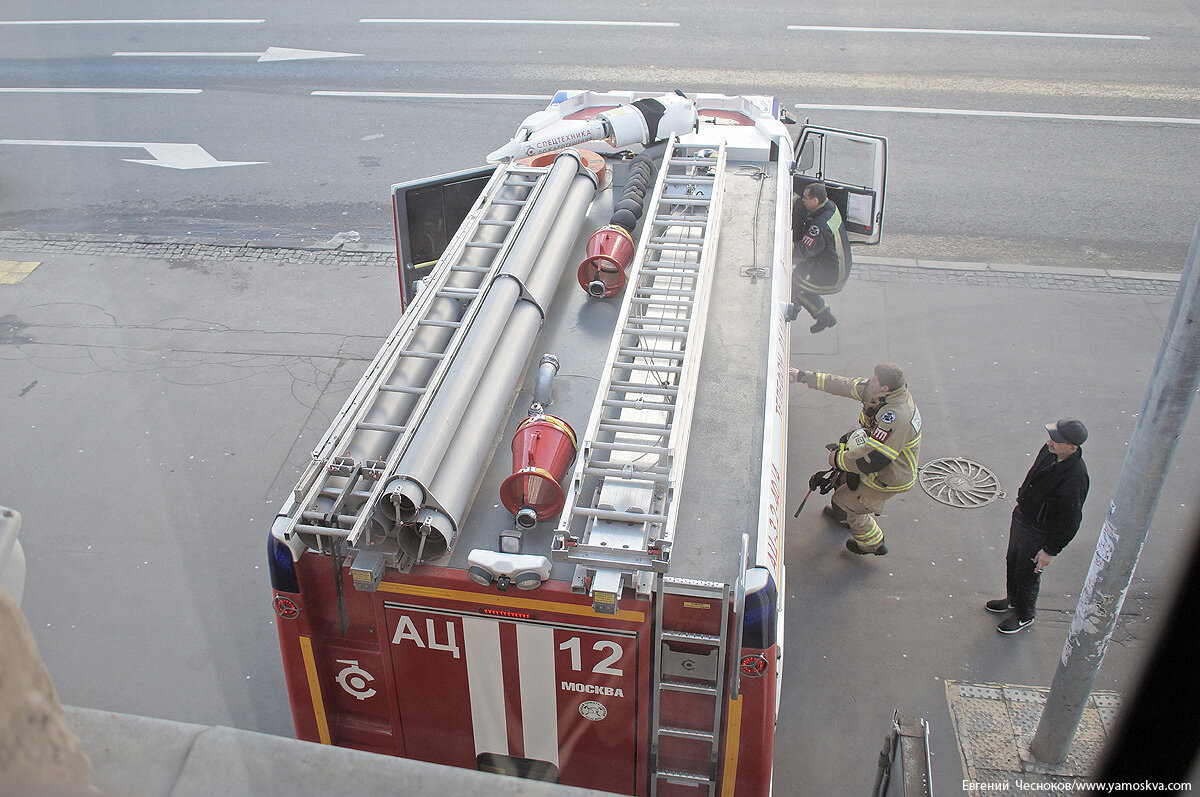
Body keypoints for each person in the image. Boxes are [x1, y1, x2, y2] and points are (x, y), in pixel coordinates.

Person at [790, 362, 921, 555]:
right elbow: (844, 385)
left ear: (885, 387)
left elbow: (874, 459)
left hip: (890, 477)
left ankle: (871, 543)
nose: (870, 382)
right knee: (843, 479)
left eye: (874, 380)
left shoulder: (896, 417)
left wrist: (837, 459)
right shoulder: (880, 392)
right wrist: (804, 376)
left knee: (845, 502)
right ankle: (842, 512)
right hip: (879, 462)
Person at [988, 419, 1090, 634]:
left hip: (1039, 531)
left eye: (1057, 440)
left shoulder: (1075, 477)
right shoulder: (1049, 450)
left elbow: (1071, 520)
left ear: (1072, 448)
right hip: (1024, 516)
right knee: (1012, 561)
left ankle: (1025, 615)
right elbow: (1034, 475)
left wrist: (1050, 550)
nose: (1050, 441)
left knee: (1027, 573)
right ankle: (1013, 601)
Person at [786, 182, 852, 333]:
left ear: (815, 201)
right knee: (798, 278)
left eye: (805, 198)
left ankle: (824, 317)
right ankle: (795, 307)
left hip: (833, 275)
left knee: (797, 284)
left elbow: (801, 251)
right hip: (839, 265)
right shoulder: (830, 207)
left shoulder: (820, 227)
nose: (803, 200)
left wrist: (784, 245)